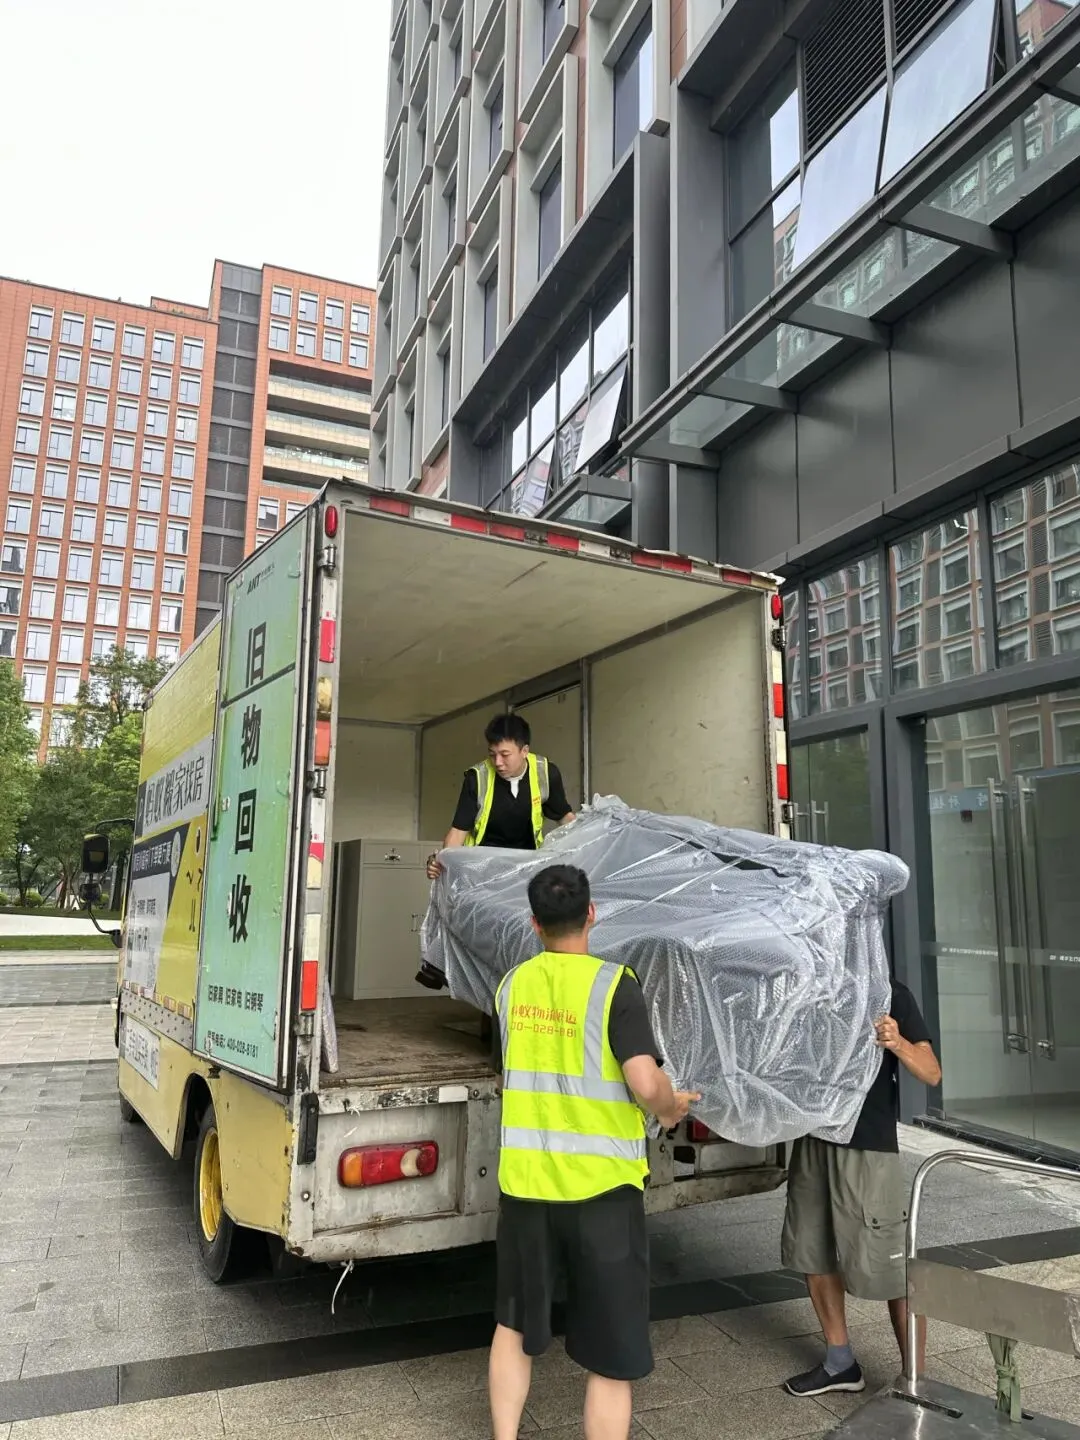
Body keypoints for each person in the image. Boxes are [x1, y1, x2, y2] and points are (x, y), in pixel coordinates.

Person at [488, 864, 698, 1440]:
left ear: (535, 923)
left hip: (526, 1185)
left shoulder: (512, 986)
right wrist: (669, 1106)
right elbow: (643, 1079)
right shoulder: (614, 985)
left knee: (513, 1324)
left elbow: (512, 1072)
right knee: (610, 1350)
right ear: (592, 914)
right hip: (602, 1191)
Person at [781, 981, 942, 1398]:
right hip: (812, 1137)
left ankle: (916, 1383)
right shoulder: (808, 986)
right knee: (812, 1250)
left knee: (892, 1268)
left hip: (866, 1146)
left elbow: (931, 1071)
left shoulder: (890, 993)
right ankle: (840, 1364)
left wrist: (898, 1042)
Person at [425, 712, 575, 879]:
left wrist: (591, 839)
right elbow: (458, 832)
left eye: (505, 755)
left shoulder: (545, 773)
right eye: (492, 754)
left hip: (527, 868)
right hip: (481, 870)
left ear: (524, 751)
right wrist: (442, 862)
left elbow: (565, 819)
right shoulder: (477, 778)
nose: (497, 762)